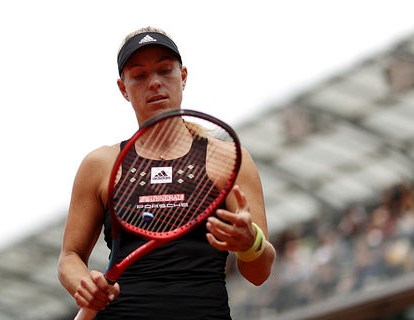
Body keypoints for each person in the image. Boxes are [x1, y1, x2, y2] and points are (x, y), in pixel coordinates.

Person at [57, 26, 276, 320]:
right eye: (139, 75)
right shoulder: (101, 164)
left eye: (165, 70)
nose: (155, 83)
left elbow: (259, 273)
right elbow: (69, 257)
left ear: (183, 76)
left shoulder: (228, 159)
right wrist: (84, 285)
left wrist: (250, 242)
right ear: (123, 88)